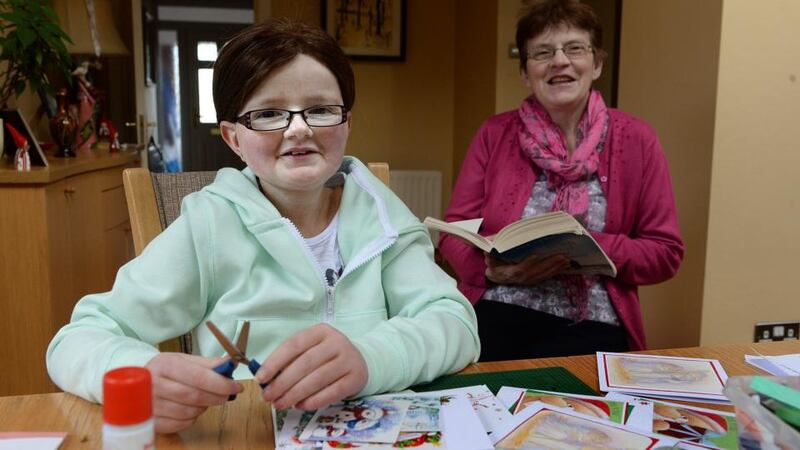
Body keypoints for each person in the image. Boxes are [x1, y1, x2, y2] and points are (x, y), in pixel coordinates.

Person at [47, 19, 479, 433]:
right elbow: (77, 338)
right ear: (233, 138)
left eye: (321, 109)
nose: (299, 129)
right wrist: (142, 375)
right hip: (245, 432)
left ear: (347, 123)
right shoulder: (209, 225)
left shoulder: (382, 218)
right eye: (270, 114)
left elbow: (455, 322)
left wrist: (371, 358)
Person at [439, 0, 683, 361]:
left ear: (596, 63)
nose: (559, 61)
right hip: (500, 308)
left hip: (595, 322)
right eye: (542, 52)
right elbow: (452, 233)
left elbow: (665, 252)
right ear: (526, 73)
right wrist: (493, 271)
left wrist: (589, 247)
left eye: (574, 48)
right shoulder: (494, 133)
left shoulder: (636, 138)